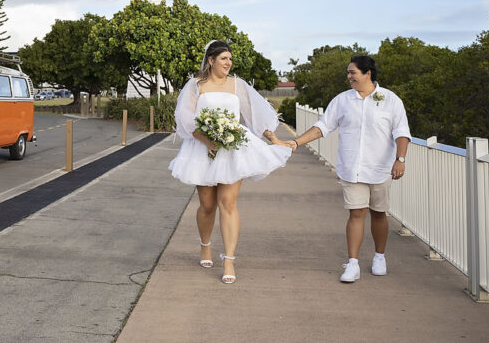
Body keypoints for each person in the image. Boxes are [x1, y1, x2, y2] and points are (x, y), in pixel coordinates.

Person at [277, 55, 410, 283]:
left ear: (367, 73)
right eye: (348, 73)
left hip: (380, 167)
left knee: (379, 213)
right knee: (356, 213)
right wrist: (297, 142)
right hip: (352, 167)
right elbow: (323, 126)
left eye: (352, 73)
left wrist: (400, 159)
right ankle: (353, 263)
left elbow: (401, 132)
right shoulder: (342, 100)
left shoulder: (390, 99)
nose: (348, 77)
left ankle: (379, 257)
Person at [169, 40, 292, 284]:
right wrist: (208, 140)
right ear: (211, 60)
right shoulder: (196, 85)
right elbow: (185, 119)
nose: (228, 63)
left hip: (232, 148)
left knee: (228, 203)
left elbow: (254, 116)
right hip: (202, 148)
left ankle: (229, 260)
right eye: (224, 58)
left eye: (230, 59)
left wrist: (274, 139)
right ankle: (205, 246)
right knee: (207, 204)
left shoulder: (238, 86)